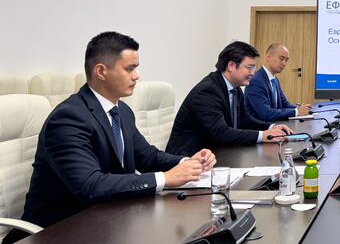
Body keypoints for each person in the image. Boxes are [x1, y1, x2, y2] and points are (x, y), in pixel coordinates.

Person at [3, 32, 216, 244]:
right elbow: (90, 186)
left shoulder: (122, 111)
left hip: (108, 218)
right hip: (58, 230)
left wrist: (188, 163)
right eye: (129, 69)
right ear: (101, 71)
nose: (137, 76)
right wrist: (165, 178)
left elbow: (147, 156)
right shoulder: (68, 118)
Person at [166, 41, 293, 156]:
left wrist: (271, 127)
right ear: (231, 66)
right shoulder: (208, 91)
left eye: (254, 68)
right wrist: (263, 135)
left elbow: (245, 120)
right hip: (188, 159)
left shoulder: (235, 88)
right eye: (249, 67)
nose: (253, 73)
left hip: (218, 153)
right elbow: (220, 133)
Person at [245, 43, 311, 122]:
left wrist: (299, 108)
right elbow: (266, 114)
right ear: (268, 57)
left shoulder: (274, 79)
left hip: (274, 124)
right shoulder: (256, 80)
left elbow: (284, 104)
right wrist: (296, 112)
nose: (284, 63)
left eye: (286, 60)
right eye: (281, 59)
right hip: (259, 127)